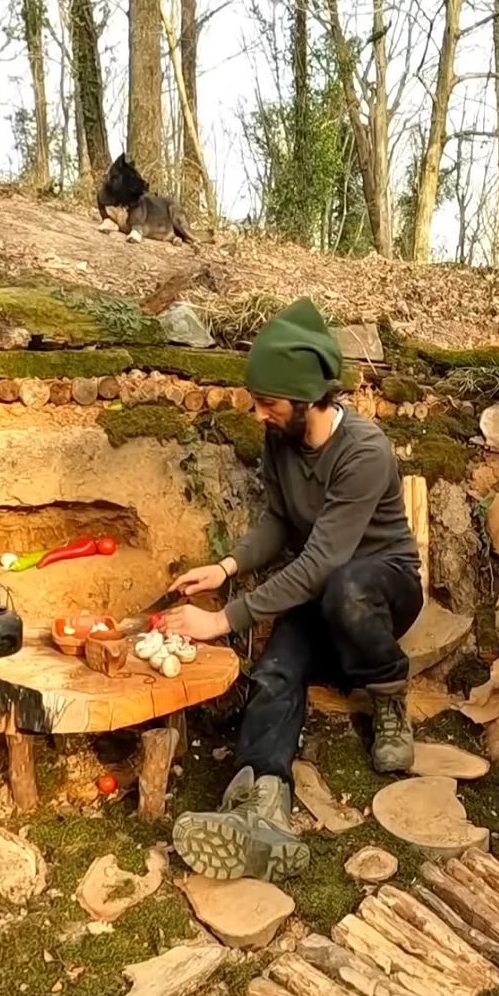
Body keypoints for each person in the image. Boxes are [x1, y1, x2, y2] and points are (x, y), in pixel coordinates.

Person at [158, 298, 423, 881]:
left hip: (381, 587)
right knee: (277, 668)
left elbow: (326, 559)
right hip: (320, 586)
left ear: (308, 398)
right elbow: (279, 523)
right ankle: (264, 802)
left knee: (346, 588)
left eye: (268, 402)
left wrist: (223, 620)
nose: (257, 414)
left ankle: (389, 700)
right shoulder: (282, 440)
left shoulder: (365, 451)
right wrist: (226, 568)